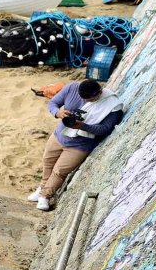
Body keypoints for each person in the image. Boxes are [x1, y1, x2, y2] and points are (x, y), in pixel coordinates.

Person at [29, 79, 124, 211]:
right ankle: (41, 189)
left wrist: (83, 126)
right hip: (59, 135)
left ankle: (45, 196)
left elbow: (105, 129)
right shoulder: (72, 88)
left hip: (80, 144)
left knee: (60, 171)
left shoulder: (112, 104)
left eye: (89, 100)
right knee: (48, 162)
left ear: (99, 93)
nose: (85, 102)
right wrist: (58, 112)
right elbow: (53, 102)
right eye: (82, 98)